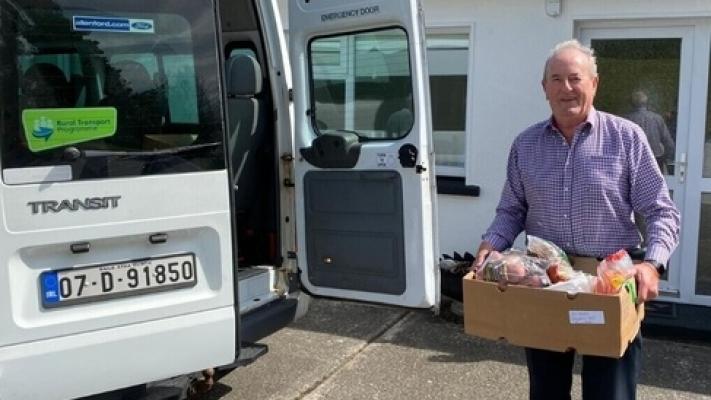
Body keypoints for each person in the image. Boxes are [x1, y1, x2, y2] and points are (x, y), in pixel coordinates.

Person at [473, 40, 680, 400]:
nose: (566, 88)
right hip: (544, 287)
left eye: (575, 78)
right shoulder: (525, 145)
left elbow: (662, 210)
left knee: (610, 394)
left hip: (610, 286)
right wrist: (491, 246)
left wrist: (652, 265)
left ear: (594, 84)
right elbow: (511, 210)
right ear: (544, 88)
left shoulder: (626, 139)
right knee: (547, 391)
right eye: (556, 79)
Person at [625, 90, 676, 174]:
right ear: (646, 103)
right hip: (656, 158)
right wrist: (669, 159)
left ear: (631, 104)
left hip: (634, 160)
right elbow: (668, 142)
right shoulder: (657, 118)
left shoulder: (626, 119)